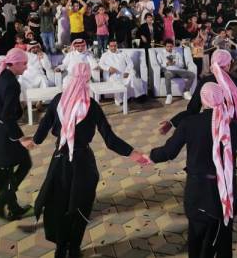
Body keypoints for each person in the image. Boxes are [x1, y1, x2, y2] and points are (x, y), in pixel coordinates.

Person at [29, 63, 149, 258]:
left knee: (59, 204)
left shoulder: (58, 100)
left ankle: (61, 247)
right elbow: (110, 139)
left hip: (59, 161)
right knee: (80, 205)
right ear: (87, 80)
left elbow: (44, 125)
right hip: (83, 162)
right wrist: (132, 153)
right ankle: (74, 248)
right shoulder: (91, 106)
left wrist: (34, 142)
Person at [150, 82, 237, 258]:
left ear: (203, 101)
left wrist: (150, 156)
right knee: (222, 238)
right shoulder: (231, 125)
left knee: (196, 237)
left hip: (197, 192)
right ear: (222, 99)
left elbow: (168, 152)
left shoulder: (189, 123)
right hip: (223, 193)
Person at [160, 49, 237, 134]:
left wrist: (172, 122)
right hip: (231, 127)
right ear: (228, 64)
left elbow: (192, 109)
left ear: (213, 63)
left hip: (209, 126)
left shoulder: (205, 81)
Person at [0, 48, 33, 220]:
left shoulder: (1, 75)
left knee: (7, 171)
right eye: (24, 64)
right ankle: (0, 204)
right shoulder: (11, 83)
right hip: (5, 133)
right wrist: (21, 138)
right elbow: (7, 116)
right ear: (15, 63)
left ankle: (13, 207)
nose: (26, 67)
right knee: (24, 163)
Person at [98, 39, 145, 104]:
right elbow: (100, 64)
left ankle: (138, 96)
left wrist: (127, 71)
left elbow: (130, 63)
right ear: (108, 46)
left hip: (125, 74)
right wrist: (108, 68)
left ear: (117, 46)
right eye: (111, 46)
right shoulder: (105, 55)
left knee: (133, 77)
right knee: (116, 82)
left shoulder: (122, 53)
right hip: (114, 75)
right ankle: (121, 100)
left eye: (115, 46)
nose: (113, 48)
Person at [156, 38, 195, 104]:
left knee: (192, 74)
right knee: (167, 74)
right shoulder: (160, 54)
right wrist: (166, 64)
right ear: (165, 46)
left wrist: (176, 63)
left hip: (178, 70)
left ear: (173, 46)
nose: (169, 48)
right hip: (169, 71)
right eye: (168, 46)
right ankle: (169, 95)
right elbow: (159, 65)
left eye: (171, 46)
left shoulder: (177, 53)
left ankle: (186, 91)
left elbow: (182, 64)